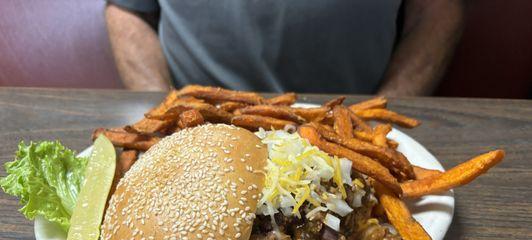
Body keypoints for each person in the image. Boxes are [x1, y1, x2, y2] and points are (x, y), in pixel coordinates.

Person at [105, 0, 463, 95]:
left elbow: (437, 9)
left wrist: (388, 104)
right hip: (196, 121)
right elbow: (128, 9)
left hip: (357, 121)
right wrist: (162, 111)